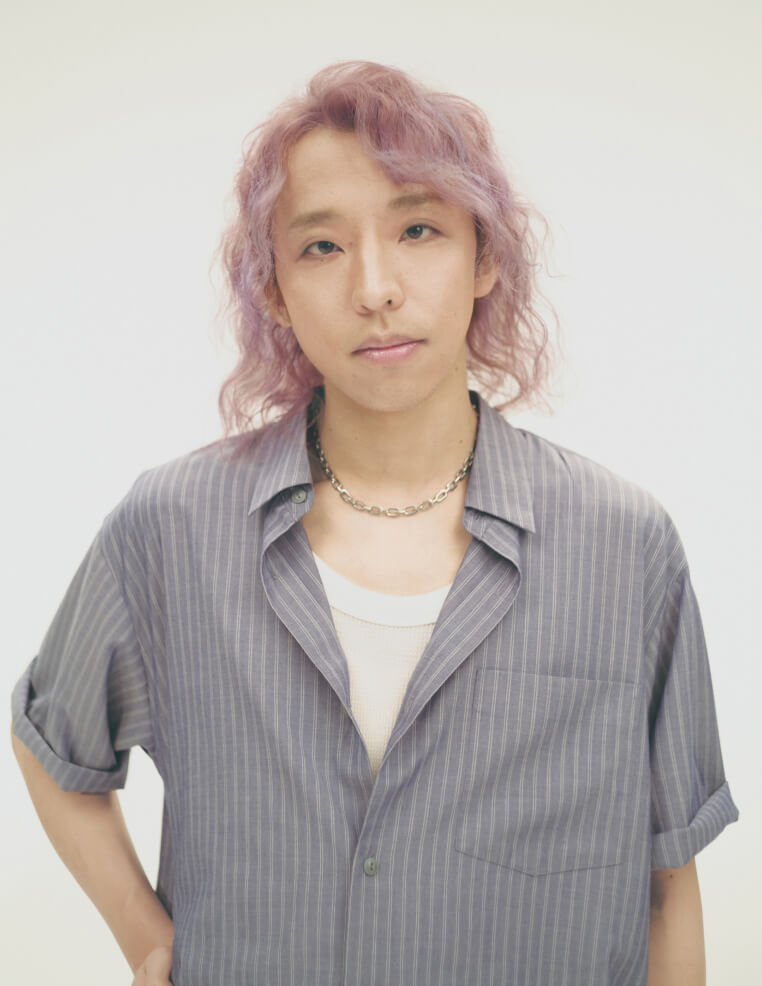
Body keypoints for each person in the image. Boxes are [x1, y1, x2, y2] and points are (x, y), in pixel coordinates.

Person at [11, 61, 738, 986]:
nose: (375, 287)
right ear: (273, 289)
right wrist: (148, 940)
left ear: (485, 258)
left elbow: (667, 887)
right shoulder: (171, 530)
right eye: (321, 246)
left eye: (418, 230)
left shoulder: (622, 545)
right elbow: (51, 742)